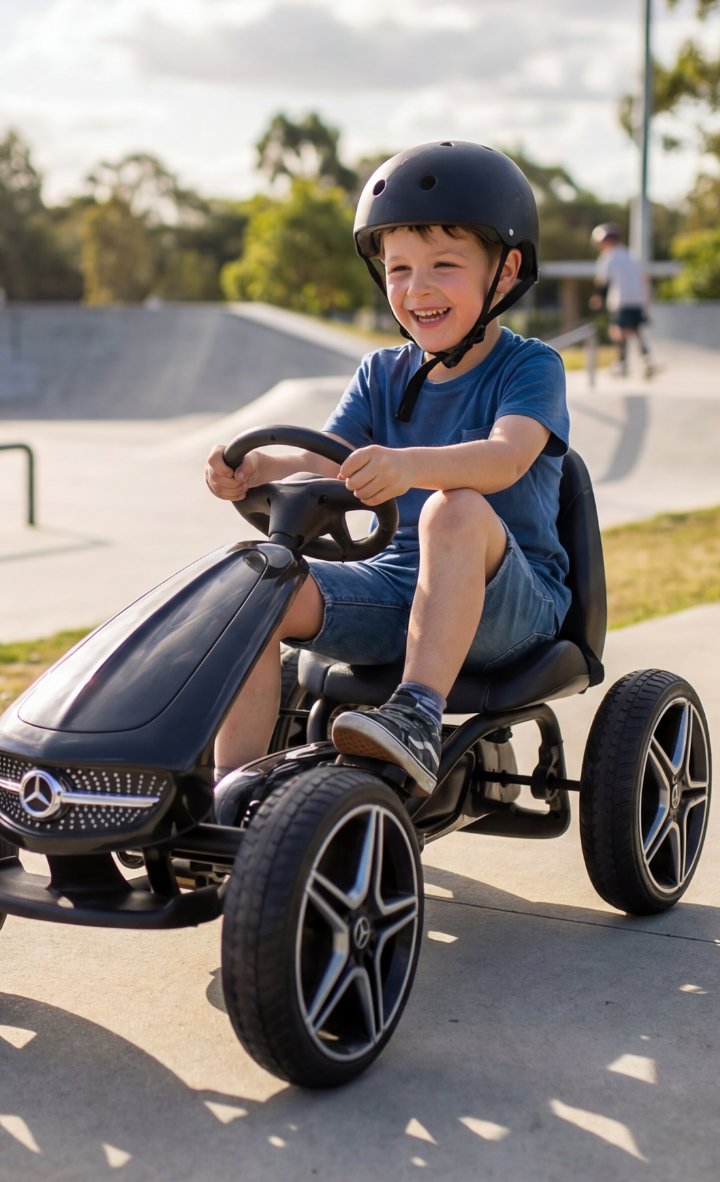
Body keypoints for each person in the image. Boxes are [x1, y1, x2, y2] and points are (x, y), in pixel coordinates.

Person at [204, 142, 569, 795]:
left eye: (444, 265)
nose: (417, 288)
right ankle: (232, 796)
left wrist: (408, 466)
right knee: (256, 585)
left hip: (509, 604)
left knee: (452, 506)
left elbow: (507, 455)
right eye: (398, 268)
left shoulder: (529, 366)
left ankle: (418, 716)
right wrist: (259, 463)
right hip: (393, 590)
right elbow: (323, 452)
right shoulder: (381, 372)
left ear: (506, 270)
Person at [589, 223, 657, 378]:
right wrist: (647, 299)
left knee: (617, 331)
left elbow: (601, 280)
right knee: (635, 329)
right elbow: (645, 278)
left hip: (621, 300)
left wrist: (598, 297)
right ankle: (647, 360)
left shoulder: (608, 257)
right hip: (637, 299)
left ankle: (622, 363)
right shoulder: (630, 254)